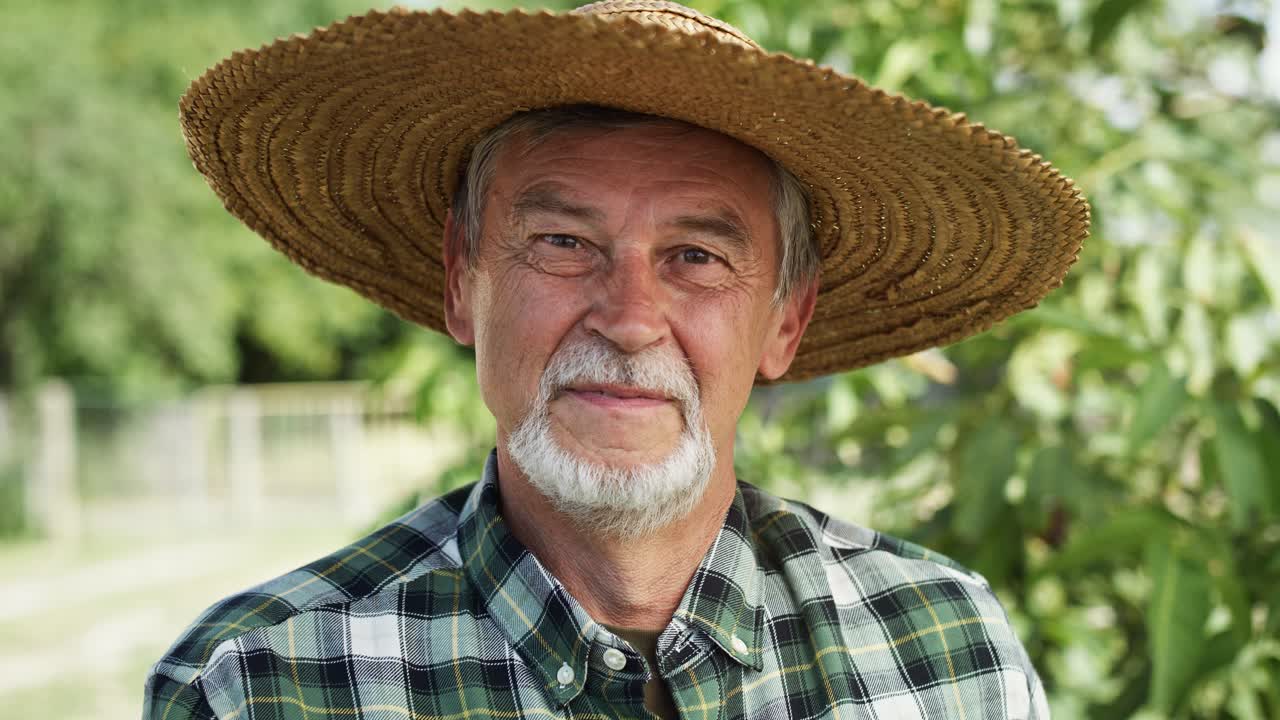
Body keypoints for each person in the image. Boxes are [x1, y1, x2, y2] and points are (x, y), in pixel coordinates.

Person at [145, 2, 1089, 718]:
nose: (630, 319)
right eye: (561, 242)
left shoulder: (946, 651)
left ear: (786, 322)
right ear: (459, 280)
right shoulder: (262, 683)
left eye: (697, 257)